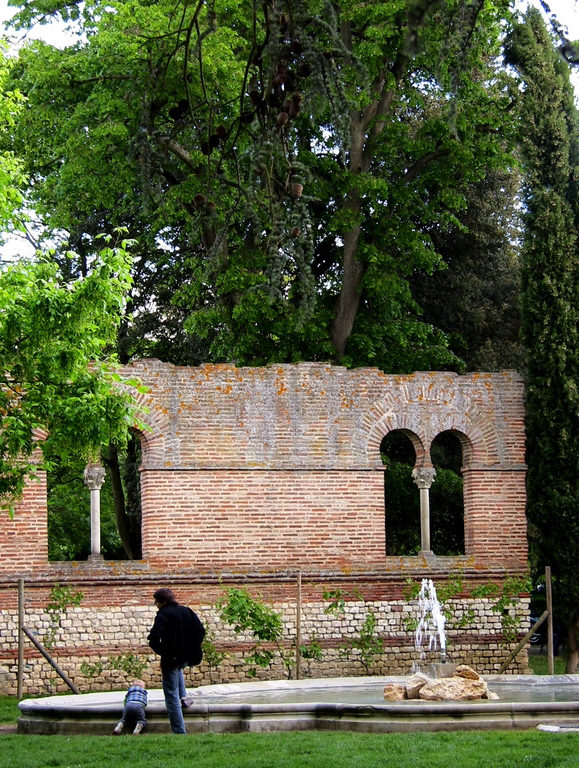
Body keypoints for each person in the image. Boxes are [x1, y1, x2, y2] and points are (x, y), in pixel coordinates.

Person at [148, 587, 206, 734]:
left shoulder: (163, 615)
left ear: (164, 602)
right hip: (188, 657)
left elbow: (154, 638)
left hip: (172, 659)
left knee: (170, 695)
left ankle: (179, 732)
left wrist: (163, 652)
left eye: (157, 603)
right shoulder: (187, 611)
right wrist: (191, 647)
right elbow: (200, 631)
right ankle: (184, 698)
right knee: (178, 667)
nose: (157, 606)